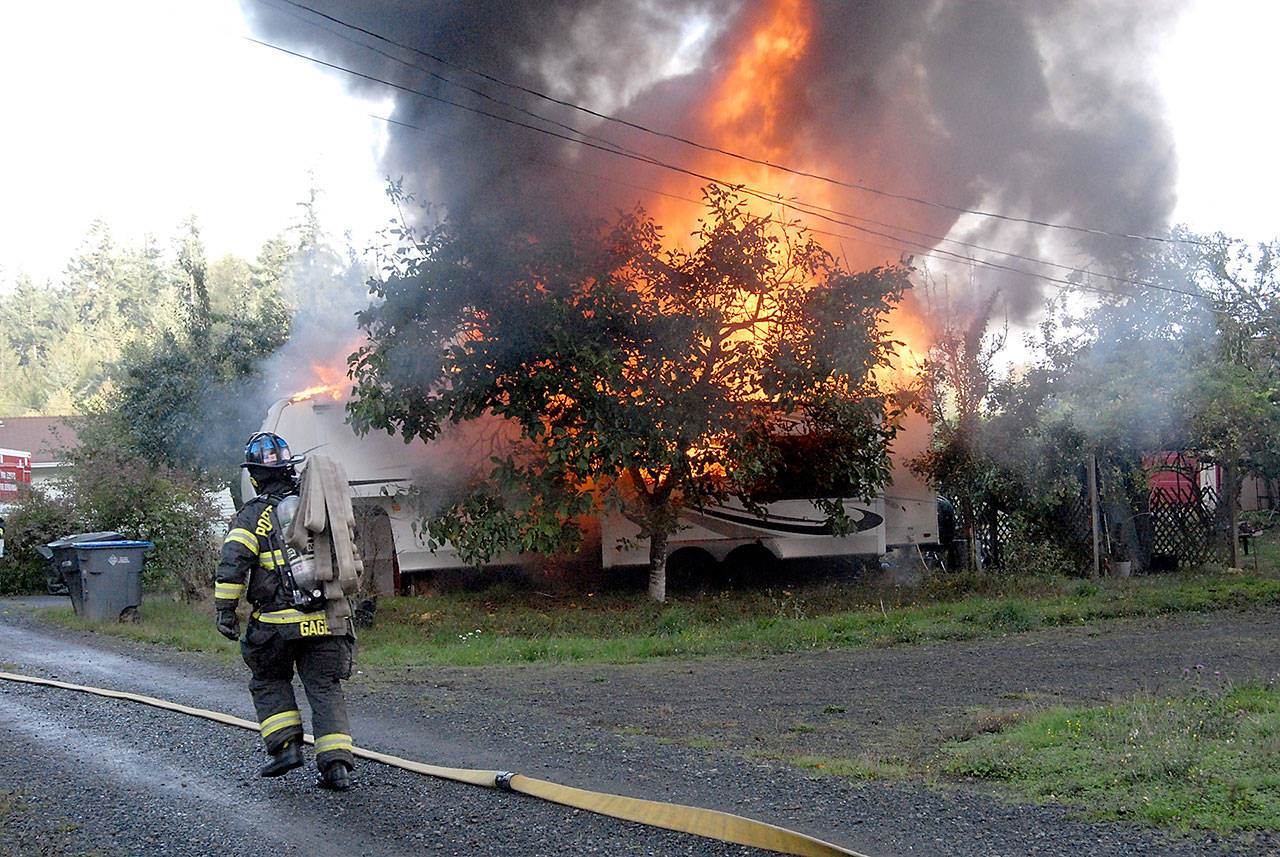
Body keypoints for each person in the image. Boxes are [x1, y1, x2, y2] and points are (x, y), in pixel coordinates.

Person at [214, 431, 356, 790]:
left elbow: (233, 564)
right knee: (324, 687)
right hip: (326, 618)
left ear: (255, 474)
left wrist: (225, 612)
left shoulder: (251, 516)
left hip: (276, 625)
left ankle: (285, 749)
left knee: (269, 678)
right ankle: (336, 766)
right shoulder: (316, 505)